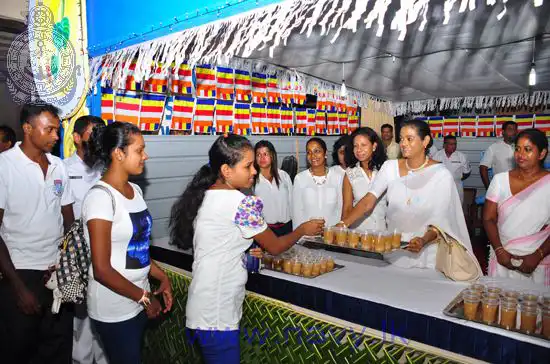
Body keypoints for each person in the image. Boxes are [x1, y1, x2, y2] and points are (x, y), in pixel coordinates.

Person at [169, 134, 323, 363]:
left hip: (204, 306)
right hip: (217, 313)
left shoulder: (208, 194)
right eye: (248, 165)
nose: (254, 171)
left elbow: (221, 242)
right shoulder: (242, 203)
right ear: (226, 170)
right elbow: (276, 246)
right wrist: (302, 229)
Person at [82, 122, 173, 364]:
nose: (146, 156)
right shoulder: (100, 198)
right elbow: (101, 269)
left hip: (137, 299)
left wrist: (161, 276)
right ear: (118, 154)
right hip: (115, 307)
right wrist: (143, 297)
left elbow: (138, 247)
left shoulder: (135, 190)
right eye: (140, 150)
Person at [338, 120, 479, 270]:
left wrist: (423, 240)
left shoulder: (441, 174)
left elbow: (440, 221)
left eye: (409, 139)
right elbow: (368, 201)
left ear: (425, 141)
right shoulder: (389, 168)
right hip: (394, 250)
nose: (403, 143)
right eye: (401, 139)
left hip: (428, 252)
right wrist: (342, 225)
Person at [0, 103, 75, 364]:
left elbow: (68, 219)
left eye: (58, 130)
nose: (56, 137)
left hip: (55, 273)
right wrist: (18, 287)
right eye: (50, 130)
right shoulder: (4, 165)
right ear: (27, 128)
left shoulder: (58, 166)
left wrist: (68, 266)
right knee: (19, 350)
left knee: (57, 348)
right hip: (20, 273)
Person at [65, 116, 108, 364]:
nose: (95, 141)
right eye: (91, 135)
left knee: (102, 318)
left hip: (104, 254)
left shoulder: (106, 168)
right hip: (78, 256)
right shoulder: (64, 169)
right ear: (77, 137)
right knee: (81, 324)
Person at [483, 128, 549, 286]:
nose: (520, 154)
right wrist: (499, 251)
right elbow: (488, 218)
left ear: (542, 154)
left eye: (527, 150)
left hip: (538, 260)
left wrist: (538, 255)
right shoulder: (500, 180)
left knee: (532, 308)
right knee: (500, 306)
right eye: (517, 149)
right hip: (503, 256)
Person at [341, 127, 388, 231]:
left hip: (382, 235)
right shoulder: (350, 173)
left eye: (363, 145)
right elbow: (347, 209)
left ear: (374, 146)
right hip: (358, 234)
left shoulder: (385, 170)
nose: (359, 150)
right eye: (355, 146)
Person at [293, 137, 344, 227]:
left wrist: (337, 232)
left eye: (317, 151)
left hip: (332, 235)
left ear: (325, 153)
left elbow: (340, 209)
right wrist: (299, 237)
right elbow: (297, 213)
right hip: (307, 236)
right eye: (309, 152)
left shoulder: (337, 178)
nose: (312, 156)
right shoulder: (300, 179)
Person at [253, 140, 293, 236]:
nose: (262, 158)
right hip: (265, 230)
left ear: (272, 155)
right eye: (258, 155)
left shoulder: (283, 175)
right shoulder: (251, 179)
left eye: (265, 154)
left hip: (287, 228)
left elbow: (292, 202)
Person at [433, 135, 471, 204]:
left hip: (456, 188)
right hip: (440, 189)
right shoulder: (437, 156)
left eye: (455, 144)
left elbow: (467, 173)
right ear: (444, 145)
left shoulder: (461, 156)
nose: (453, 146)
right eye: (451, 144)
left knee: (456, 210)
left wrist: (456, 178)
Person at [480, 121, 518, 189]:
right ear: (503, 132)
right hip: (500, 187)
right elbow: (483, 168)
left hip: (518, 186)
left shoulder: (521, 146)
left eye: (515, 129)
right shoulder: (494, 147)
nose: (514, 132)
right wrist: (489, 188)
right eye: (510, 129)